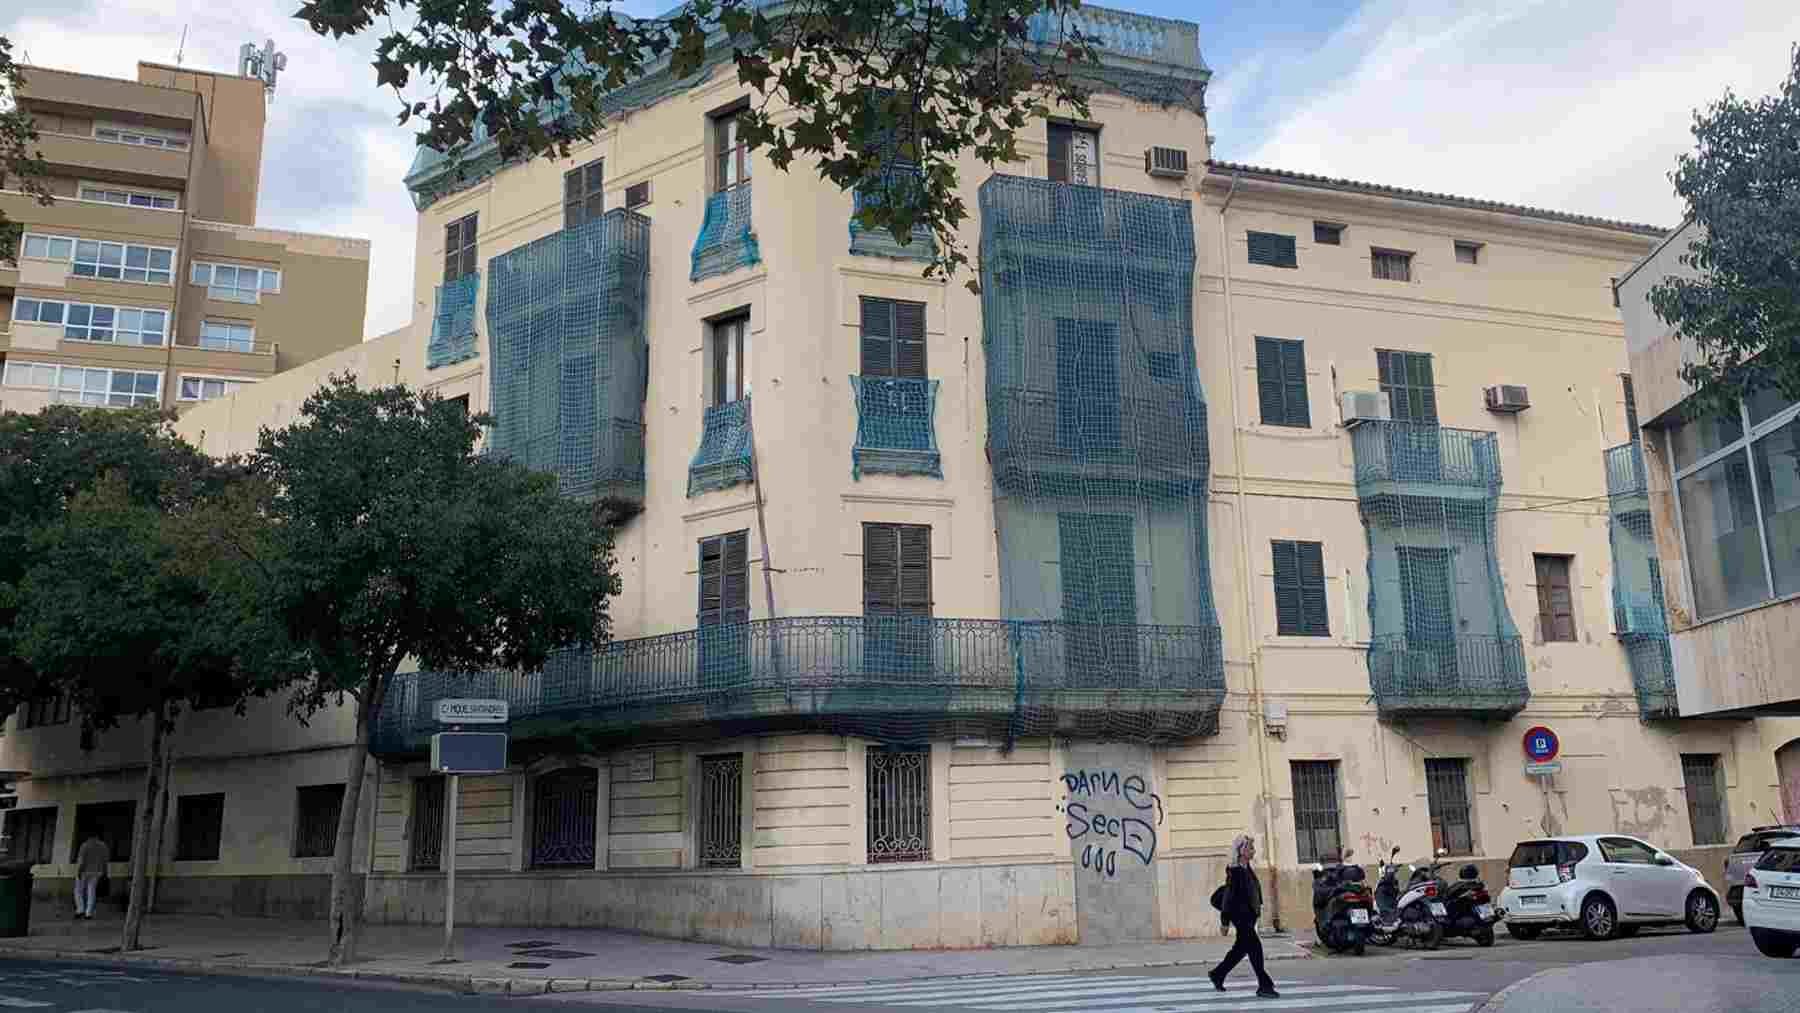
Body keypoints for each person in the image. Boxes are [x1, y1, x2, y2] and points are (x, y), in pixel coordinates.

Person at [1209, 833, 1279, 997]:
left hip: (1248, 916)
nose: (1253, 850)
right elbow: (1228, 897)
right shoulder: (1235, 871)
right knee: (1255, 949)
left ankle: (1218, 974)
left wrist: (1257, 907)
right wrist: (1224, 922)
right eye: (1250, 847)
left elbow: (1253, 890)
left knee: (1240, 949)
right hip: (1241, 918)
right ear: (1241, 851)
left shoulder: (1246, 868)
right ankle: (1264, 985)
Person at [74, 832, 109, 920]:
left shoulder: (85, 845)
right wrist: (105, 872)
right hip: (96, 872)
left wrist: (79, 871)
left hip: (84, 872)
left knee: (78, 891)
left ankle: (80, 910)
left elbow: (81, 861)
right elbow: (105, 861)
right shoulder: (103, 846)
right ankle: (88, 913)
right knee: (91, 891)